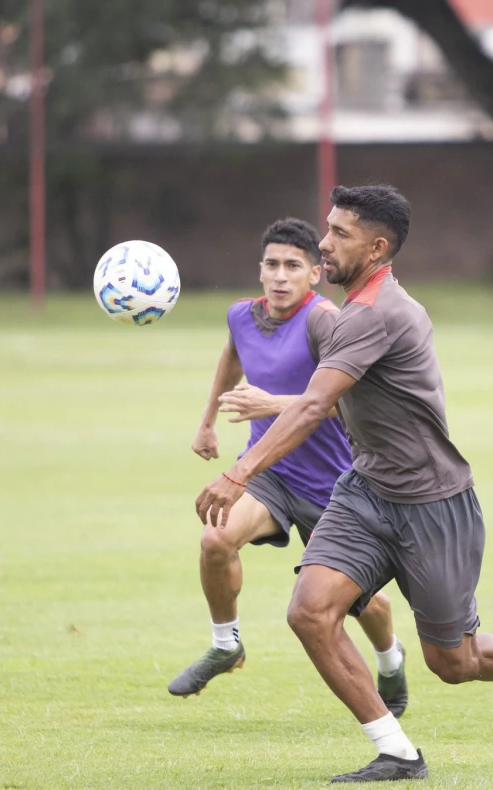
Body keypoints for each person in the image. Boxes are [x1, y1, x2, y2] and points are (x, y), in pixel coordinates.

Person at [195, 187, 493, 783]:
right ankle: (397, 752)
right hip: (366, 492)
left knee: (453, 662)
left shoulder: (376, 314)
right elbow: (333, 404)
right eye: (328, 227)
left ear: (376, 247)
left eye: (339, 234)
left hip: (434, 504)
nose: (324, 242)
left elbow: (316, 406)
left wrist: (238, 472)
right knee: (310, 613)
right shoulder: (349, 316)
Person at [169, 217, 410, 719]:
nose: (280, 276)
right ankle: (225, 643)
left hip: (335, 485)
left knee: (360, 604)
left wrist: (272, 403)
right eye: (272, 265)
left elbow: (346, 402)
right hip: (271, 473)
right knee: (215, 539)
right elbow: (232, 360)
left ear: (315, 273)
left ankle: (390, 660)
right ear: (260, 271)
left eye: (292, 266)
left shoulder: (325, 322)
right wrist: (208, 421)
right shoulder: (240, 315)